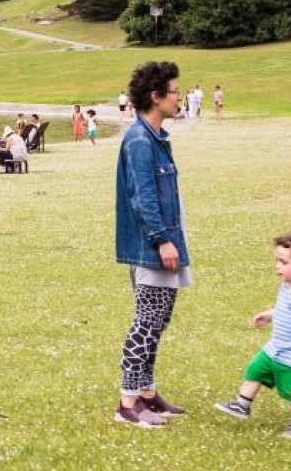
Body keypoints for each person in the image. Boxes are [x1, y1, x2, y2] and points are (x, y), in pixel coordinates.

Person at [113, 60, 191, 428]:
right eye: (176, 92)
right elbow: (142, 198)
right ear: (157, 96)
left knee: (159, 320)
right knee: (146, 322)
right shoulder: (140, 140)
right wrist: (162, 241)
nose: (181, 98)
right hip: (151, 247)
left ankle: (146, 394)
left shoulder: (156, 136)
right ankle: (128, 403)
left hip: (164, 242)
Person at [213, 231, 291, 439]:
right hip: (275, 348)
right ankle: (242, 405)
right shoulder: (287, 285)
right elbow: (286, 309)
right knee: (255, 369)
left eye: (283, 262)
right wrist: (268, 315)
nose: (277, 266)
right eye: (277, 261)